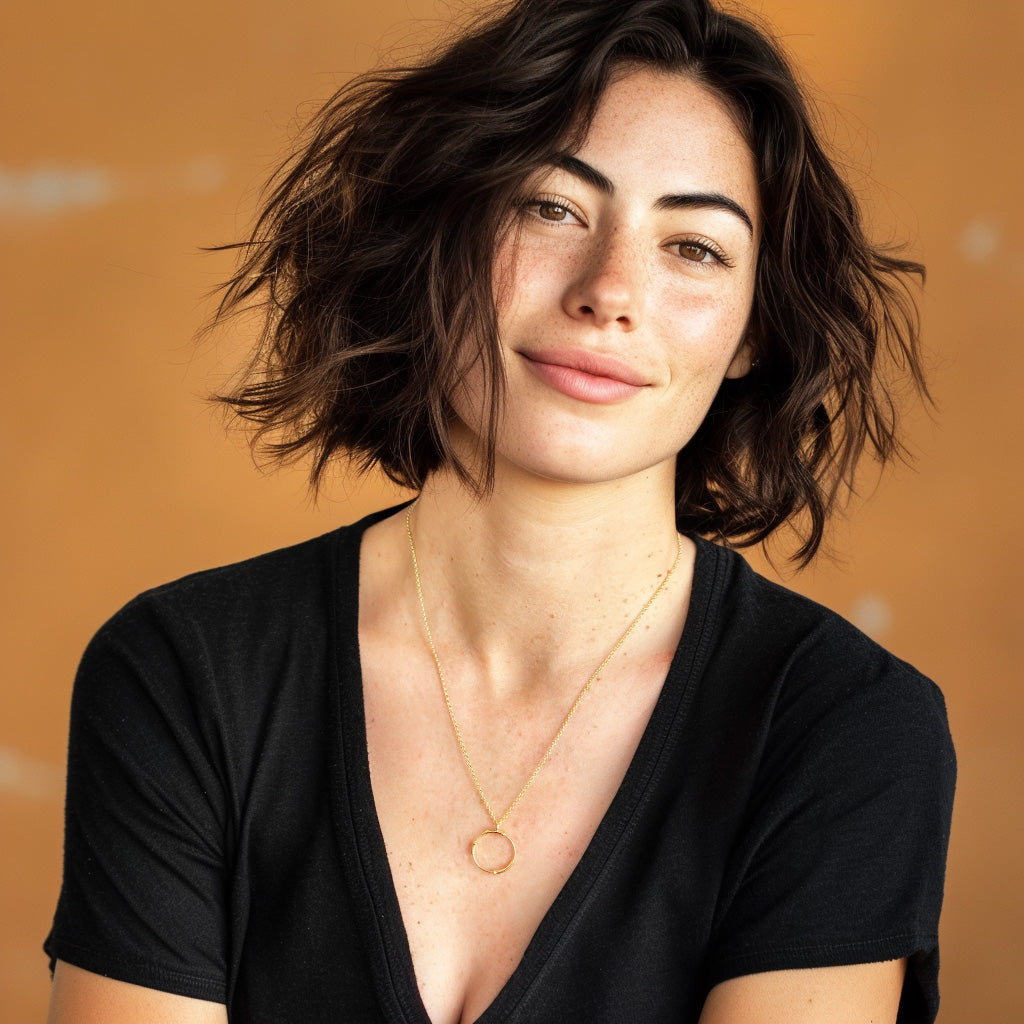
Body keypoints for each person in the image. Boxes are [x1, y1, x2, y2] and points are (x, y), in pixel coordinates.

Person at [44, 1, 955, 1021]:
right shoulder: (185, 671)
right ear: (441, 230)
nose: (610, 290)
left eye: (694, 247)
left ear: (753, 330)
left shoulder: (845, 727)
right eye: (551, 207)